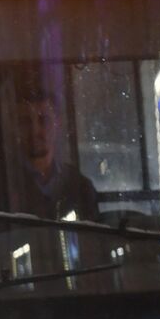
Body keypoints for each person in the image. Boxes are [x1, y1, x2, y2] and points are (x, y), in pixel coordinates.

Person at [11, 89, 100, 222]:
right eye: (26, 121)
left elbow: (92, 239)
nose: (35, 130)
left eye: (43, 120)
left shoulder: (81, 187)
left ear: (57, 124)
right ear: (16, 127)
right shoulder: (6, 185)